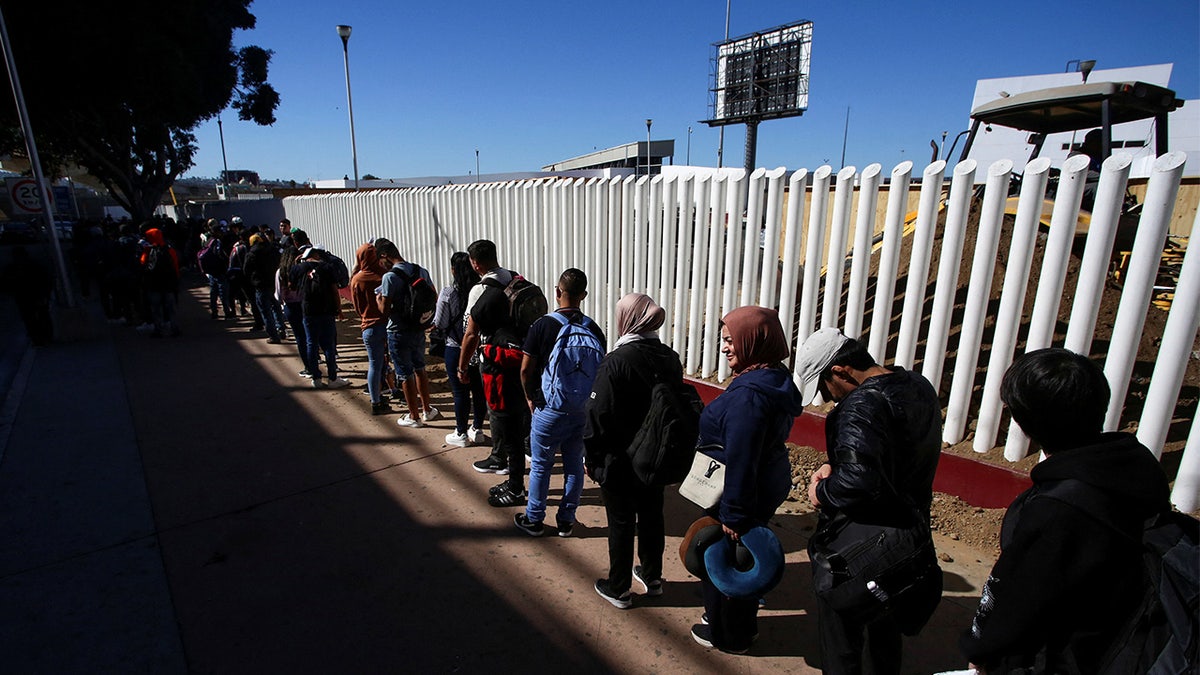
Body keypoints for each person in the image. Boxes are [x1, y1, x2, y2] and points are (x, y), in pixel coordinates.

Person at [958, 348, 1172, 674]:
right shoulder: (1135, 466)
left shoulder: (1057, 508)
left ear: (1023, 420)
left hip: (1068, 656)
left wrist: (979, 649)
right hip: (1127, 639)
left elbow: (1016, 599)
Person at [799, 327, 942, 675]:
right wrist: (841, 460)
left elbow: (856, 485)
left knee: (841, 628)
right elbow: (896, 447)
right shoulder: (915, 384)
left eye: (823, 386)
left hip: (866, 542)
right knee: (886, 622)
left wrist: (822, 491)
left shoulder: (859, 406)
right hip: (911, 535)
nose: (827, 397)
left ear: (841, 371)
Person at [690, 306, 801, 653]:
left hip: (739, 492)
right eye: (724, 340)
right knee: (743, 552)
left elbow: (741, 457)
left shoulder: (748, 397)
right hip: (766, 480)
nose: (725, 348)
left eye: (730, 341)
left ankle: (730, 634)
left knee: (728, 558)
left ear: (753, 341)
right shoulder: (771, 377)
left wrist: (735, 514)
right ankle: (734, 620)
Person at [585, 292, 678, 608]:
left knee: (621, 522)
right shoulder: (670, 357)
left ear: (628, 319)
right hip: (657, 457)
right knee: (652, 516)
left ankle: (619, 587)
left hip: (621, 459)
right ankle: (652, 577)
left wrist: (592, 457)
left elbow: (598, 415)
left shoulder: (617, 361)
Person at [513, 268, 605, 537]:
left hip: (549, 408)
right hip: (581, 411)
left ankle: (535, 519)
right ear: (583, 295)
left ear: (557, 292)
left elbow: (525, 369)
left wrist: (531, 397)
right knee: (574, 463)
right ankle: (566, 521)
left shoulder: (542, 325)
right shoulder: (593, 329)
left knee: (542, 465)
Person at [457, 239, 532, 507]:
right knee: (517, 421)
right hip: (520, 362)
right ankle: (513, 479)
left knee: (503, 423)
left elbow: (470, 333)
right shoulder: (515, 279)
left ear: (475, 263)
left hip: (497, 367)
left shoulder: (481, 290)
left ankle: (513, 484)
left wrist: (462, 366)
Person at [375, 240, 440, 428]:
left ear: (384, 256)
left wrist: (379, 299)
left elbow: (384, 311)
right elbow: (433, 297)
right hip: (418, 329)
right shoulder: (421, 270)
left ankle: (414, 416)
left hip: (397, 331)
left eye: (380, 261)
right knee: (420, 368)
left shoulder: (389, 277)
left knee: (404, 374)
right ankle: (427, 409)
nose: (381, 266)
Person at [434, 251, 488, 447]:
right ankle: (478, 428)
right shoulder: (481, 291)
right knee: (479, 390)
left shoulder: (448, 293)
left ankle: (461, 432)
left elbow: (440, 322)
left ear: (453, 270)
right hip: (478, 347)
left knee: (460, 392)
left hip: (455, 347)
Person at [292, 247, 350, 390]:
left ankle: (316, 378)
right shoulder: (327, 268)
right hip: (326, 310)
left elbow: (291, 286)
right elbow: (334, 291)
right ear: (316, 255)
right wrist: (339, 309)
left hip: (308, 311)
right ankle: (332, 378)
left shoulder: (298, 269)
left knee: (311, 343)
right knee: (328, 345)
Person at [350, 241, 390, 415]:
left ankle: (376, 401)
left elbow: (357, 307)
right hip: (387, 325)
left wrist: (366, 316)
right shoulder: (385, 275)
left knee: (374, 364)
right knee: (389, 360)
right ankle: (397, 391)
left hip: (369, 327)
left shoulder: (357, 280)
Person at [1, 245, 54, 346]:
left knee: (31, 318)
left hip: (24, 296)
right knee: (41, 316)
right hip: (34, 294)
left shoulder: (13, 268)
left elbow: (5, 283)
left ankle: (38, 338)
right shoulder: (35, 265)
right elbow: (46, 279)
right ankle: (45, 337)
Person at [280, 230, 314, 379]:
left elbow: (278, 294)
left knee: (300, 337)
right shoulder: (304, 270)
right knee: (310, 336)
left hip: (290, 306)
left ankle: (308, 366)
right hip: (304, 304)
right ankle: (315, 361)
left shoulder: (280, 272)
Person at [139, 227, 181, 338]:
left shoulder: (148, 250)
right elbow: (176, 266)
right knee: (171, 308)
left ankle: (158, 329)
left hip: (154, 284)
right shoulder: (169, 250)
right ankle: (174, 328)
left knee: (156, 309)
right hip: (168, 284)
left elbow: (142, 263)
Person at [244, 233, 284, 343]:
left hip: (261, 286)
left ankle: (273, 336)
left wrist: (252, 280)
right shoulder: (272, 250)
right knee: (276, 308)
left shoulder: (252, 254)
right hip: (274, 284)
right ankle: (281, 329)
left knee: (266, 312)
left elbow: (246, 270)